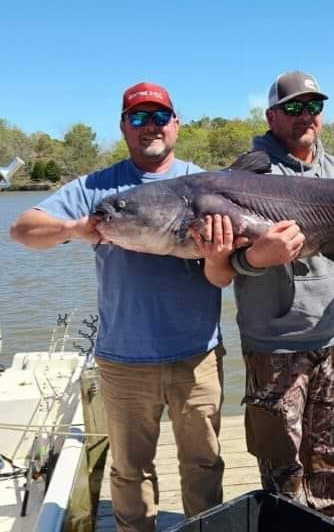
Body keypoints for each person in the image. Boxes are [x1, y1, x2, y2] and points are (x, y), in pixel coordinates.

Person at [10, 82, 231, 532]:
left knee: (204, 466)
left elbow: (227, 272)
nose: (149, 126)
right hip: (124, 359)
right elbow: (22, 229)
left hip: (198, 355)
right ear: (123, 127)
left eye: (158, 116)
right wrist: (75, 228)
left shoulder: (210, 184)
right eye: (137, 118)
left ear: (176, 124)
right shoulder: (97, 189)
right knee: (130, 473)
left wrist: (217, 251)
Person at [197, 71, 334, 525]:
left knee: (331, 460)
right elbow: (222, 266)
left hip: (333, 341)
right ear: (272, 115)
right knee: (282, 471)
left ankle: (333, 521)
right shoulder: (245, 175)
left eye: (313, 106)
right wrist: (258, 256)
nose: (304, 116)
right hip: (273, 347)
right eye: (292, 108)